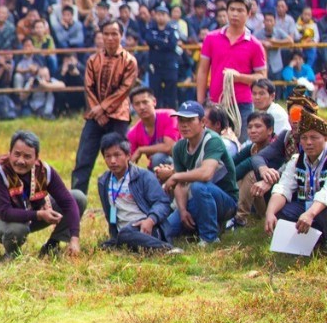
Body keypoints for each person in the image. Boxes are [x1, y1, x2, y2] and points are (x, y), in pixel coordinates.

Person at [0, 130, 83, 258]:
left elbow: (68, 202)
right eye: (17, 154)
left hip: (30, 216)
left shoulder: (44, 170)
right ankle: (12, 255)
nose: (21, 161)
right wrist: (39, 215)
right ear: (10, 152)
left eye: (27, 156)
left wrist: (74, 238)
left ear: (36, 158)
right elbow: (5, 212)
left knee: (78, 198)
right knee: (17, 229)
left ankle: (52, 245)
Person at [71, 20, 139, 203]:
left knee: (120, 158)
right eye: (106, 34)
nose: (110, 38)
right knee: (83, 159)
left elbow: (124, 90)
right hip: (94, 117)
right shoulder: (93, 60)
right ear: (101, 36)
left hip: (119, 116)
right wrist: (97, 111)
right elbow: (88, 87)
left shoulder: (129, 61)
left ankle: (126, 198)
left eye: (114, 33)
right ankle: (75, 202)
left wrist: (103, 108)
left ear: (121, 35)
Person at [154, 100, 238, 246]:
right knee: (165, 231)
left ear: (202, 121)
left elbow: (206, 174)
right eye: (181, 120)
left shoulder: (213, 140)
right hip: (195, 200)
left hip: (225, 202)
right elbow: (180, 185)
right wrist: (182, 210)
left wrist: (175, 175)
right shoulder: (179, 147)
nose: (184, 125)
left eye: (190, 120)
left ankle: (210, 238)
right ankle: (200, 224)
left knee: (199, 186)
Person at [196, 0, 268, 140]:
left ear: (248, 14)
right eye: (232, 9)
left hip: (242, 104)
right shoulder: (211, 38)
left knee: (240, 146)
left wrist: (239, 77)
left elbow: (262, 77)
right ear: (227, 12)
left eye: (240, 10)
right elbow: (203, 71)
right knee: (212, 145)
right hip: (215, 102)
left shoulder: (255, 44)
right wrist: (200, 102)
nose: (235, 14)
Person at [95, 134, 178, 253]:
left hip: (148, 228)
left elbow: (162, 202)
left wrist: (150, 220)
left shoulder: (143, 176)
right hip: (123, 232)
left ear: (128, 155)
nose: (112, 161)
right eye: (108, 156)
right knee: (105, 245)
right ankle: (128, 244)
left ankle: (165, 249)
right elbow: (111, 215)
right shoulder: (104, 181)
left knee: (125, 234)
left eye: (117, 155)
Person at [263, 102, 327, 250]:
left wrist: (310, 214)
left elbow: (325, 193)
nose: (308, 142)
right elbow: (283, 187)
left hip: (320, 207)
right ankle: (304, 244)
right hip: (306, 205)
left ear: (325, 138)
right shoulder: (297, 160)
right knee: (280, 212)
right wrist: (270, 212)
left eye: (314, 137)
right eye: (304, 138)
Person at [235, 110, 287, 229]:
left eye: (258, 126)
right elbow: (233, 162)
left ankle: (239, 218)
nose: (253, 130)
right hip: (259, 199)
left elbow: (239, 170)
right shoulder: (253, 146)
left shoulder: (273, 149)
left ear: (270, 130)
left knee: (250, 174)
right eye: (249, 127)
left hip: (273, 204)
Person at [126, 86, 179, 167]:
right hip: (155, 167)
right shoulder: (133, 133)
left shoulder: (169, 116)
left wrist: (141, 150)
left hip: (181, 162)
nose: (142, 107)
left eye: (145, 102)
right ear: (133, 107)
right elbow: (129, 160)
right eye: (137, 104)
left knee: (158, 158)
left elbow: (169, 147)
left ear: (154, 102)